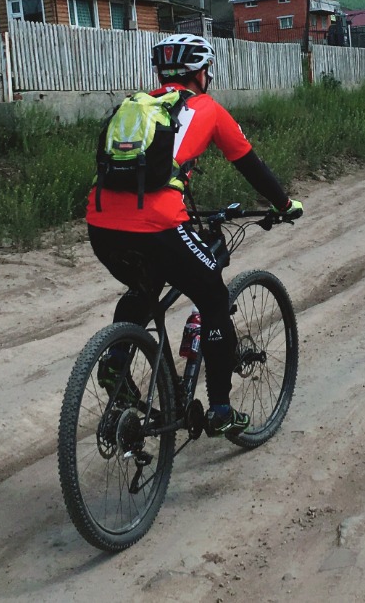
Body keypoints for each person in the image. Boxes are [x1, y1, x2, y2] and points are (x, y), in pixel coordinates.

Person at [86, 34, 302, 437]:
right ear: (200, 73)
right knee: (214, 298)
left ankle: (116, 359)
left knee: (143, 288)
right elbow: (251, 166)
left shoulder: (137, 107)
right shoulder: (208, 109)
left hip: (100, 226)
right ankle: (220, 408)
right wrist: (284, 204)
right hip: (159, 224)